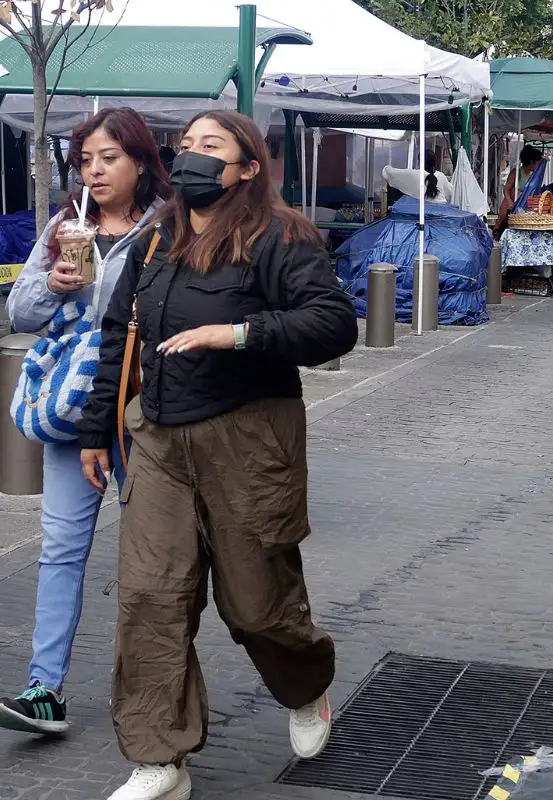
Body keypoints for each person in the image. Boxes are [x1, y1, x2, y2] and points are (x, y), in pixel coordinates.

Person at [76, 110, 358, 800]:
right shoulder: (154, 241)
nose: (193, 156)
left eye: (213, 146)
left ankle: (306, 684)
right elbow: (120, 337)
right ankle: (159, 759)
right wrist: (94, 430)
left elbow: (334, 324)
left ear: (248, 168)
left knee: (257, 607)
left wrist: (235, 334)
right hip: (161, 439)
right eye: (188, 145)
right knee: (150, 599)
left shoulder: (282, 236)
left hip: (249, 439)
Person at [0, 108, 170, 737]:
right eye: (86, 160)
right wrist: (55, 282)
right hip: (76, 412)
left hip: (144, 413)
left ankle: (157, 693)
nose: (94, 171)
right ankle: (45, 690)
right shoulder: (67, 225)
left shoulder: (167, 229)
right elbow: (20, 312)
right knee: (60, 552)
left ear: (141, 162)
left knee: (156, 558)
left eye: (109, 158)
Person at [495, 144, 545, 237]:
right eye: (537, 163)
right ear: (531, 162)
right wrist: (510, 203)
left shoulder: (533, 175)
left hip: (525, 205)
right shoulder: (516, 173)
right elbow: (506, 189)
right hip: (512, 203)